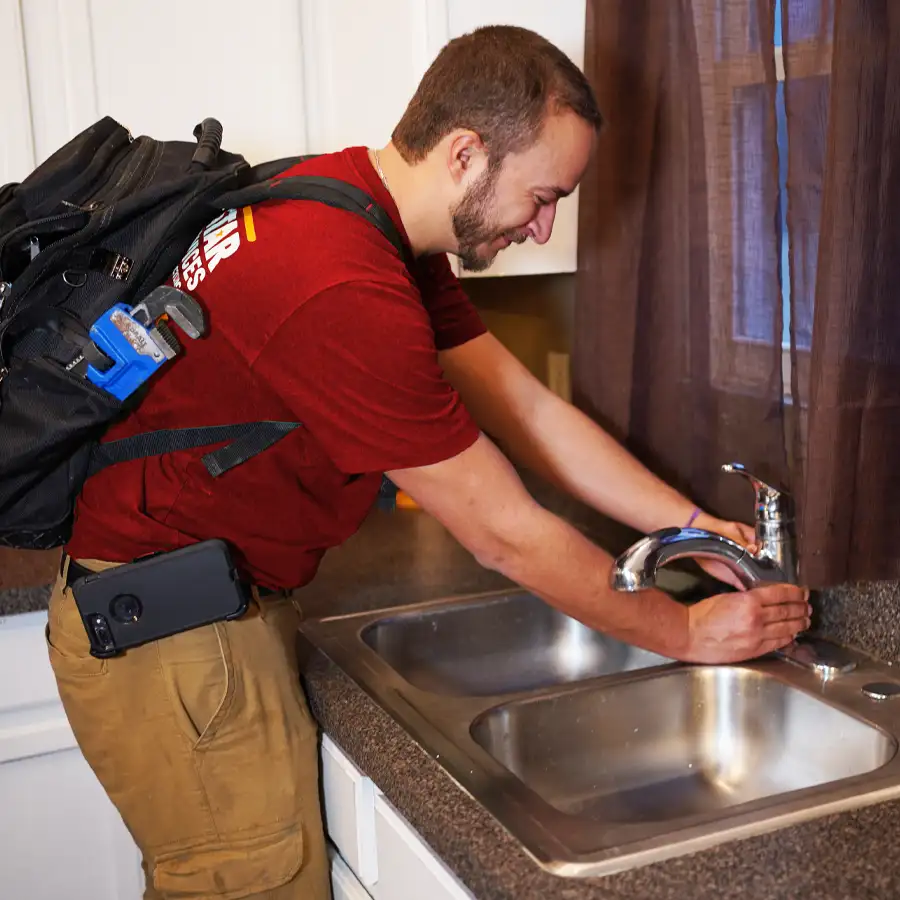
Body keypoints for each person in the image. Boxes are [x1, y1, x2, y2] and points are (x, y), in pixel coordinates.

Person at [45, 24, 810, 900]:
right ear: (465, 152)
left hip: (190, 605)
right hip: (172, 637)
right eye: (543, 195)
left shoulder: (352, 204)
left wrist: (689, 526)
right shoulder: (339, 283)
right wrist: (682, 632)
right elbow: (505, 536)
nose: (545, 224)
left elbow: (525, 410)